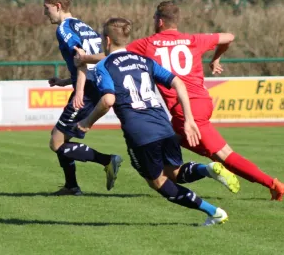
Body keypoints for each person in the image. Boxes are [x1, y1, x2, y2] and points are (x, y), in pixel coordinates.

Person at [76, 1, 284, 201]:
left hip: (187, 111)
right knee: (169, 146)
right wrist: (216, 58)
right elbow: (228, 37)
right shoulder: (193, 39)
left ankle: (272, 183)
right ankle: (208, 168)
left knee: (223, 154)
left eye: (154, 18)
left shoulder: (148, 44)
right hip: (201, 102)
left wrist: (84, 58)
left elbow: (112, 55)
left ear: (159, 21)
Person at [77, 17, 231, 226]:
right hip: (164, 126)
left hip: (140, 133)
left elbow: (107, 100)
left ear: (107, 40)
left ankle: (214, 212)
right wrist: (188, 119)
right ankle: (206, 169)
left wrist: (87, 122)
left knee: (159, 182)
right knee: (175, 173)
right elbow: (178, 83)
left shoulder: (104, 65)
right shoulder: (144, 60)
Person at [42, 0, 122, 196]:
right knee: (61, 138)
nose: (45, 12)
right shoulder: (83, 26)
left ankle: (107, 160)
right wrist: (64, 81)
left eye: (46, 8)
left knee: (56, 142)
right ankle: (71, 186)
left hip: (87, 90)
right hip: (94, 85)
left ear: (58, 6)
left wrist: (79, 92)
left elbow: (82, 60)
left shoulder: (64, 29)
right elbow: (95, 59)